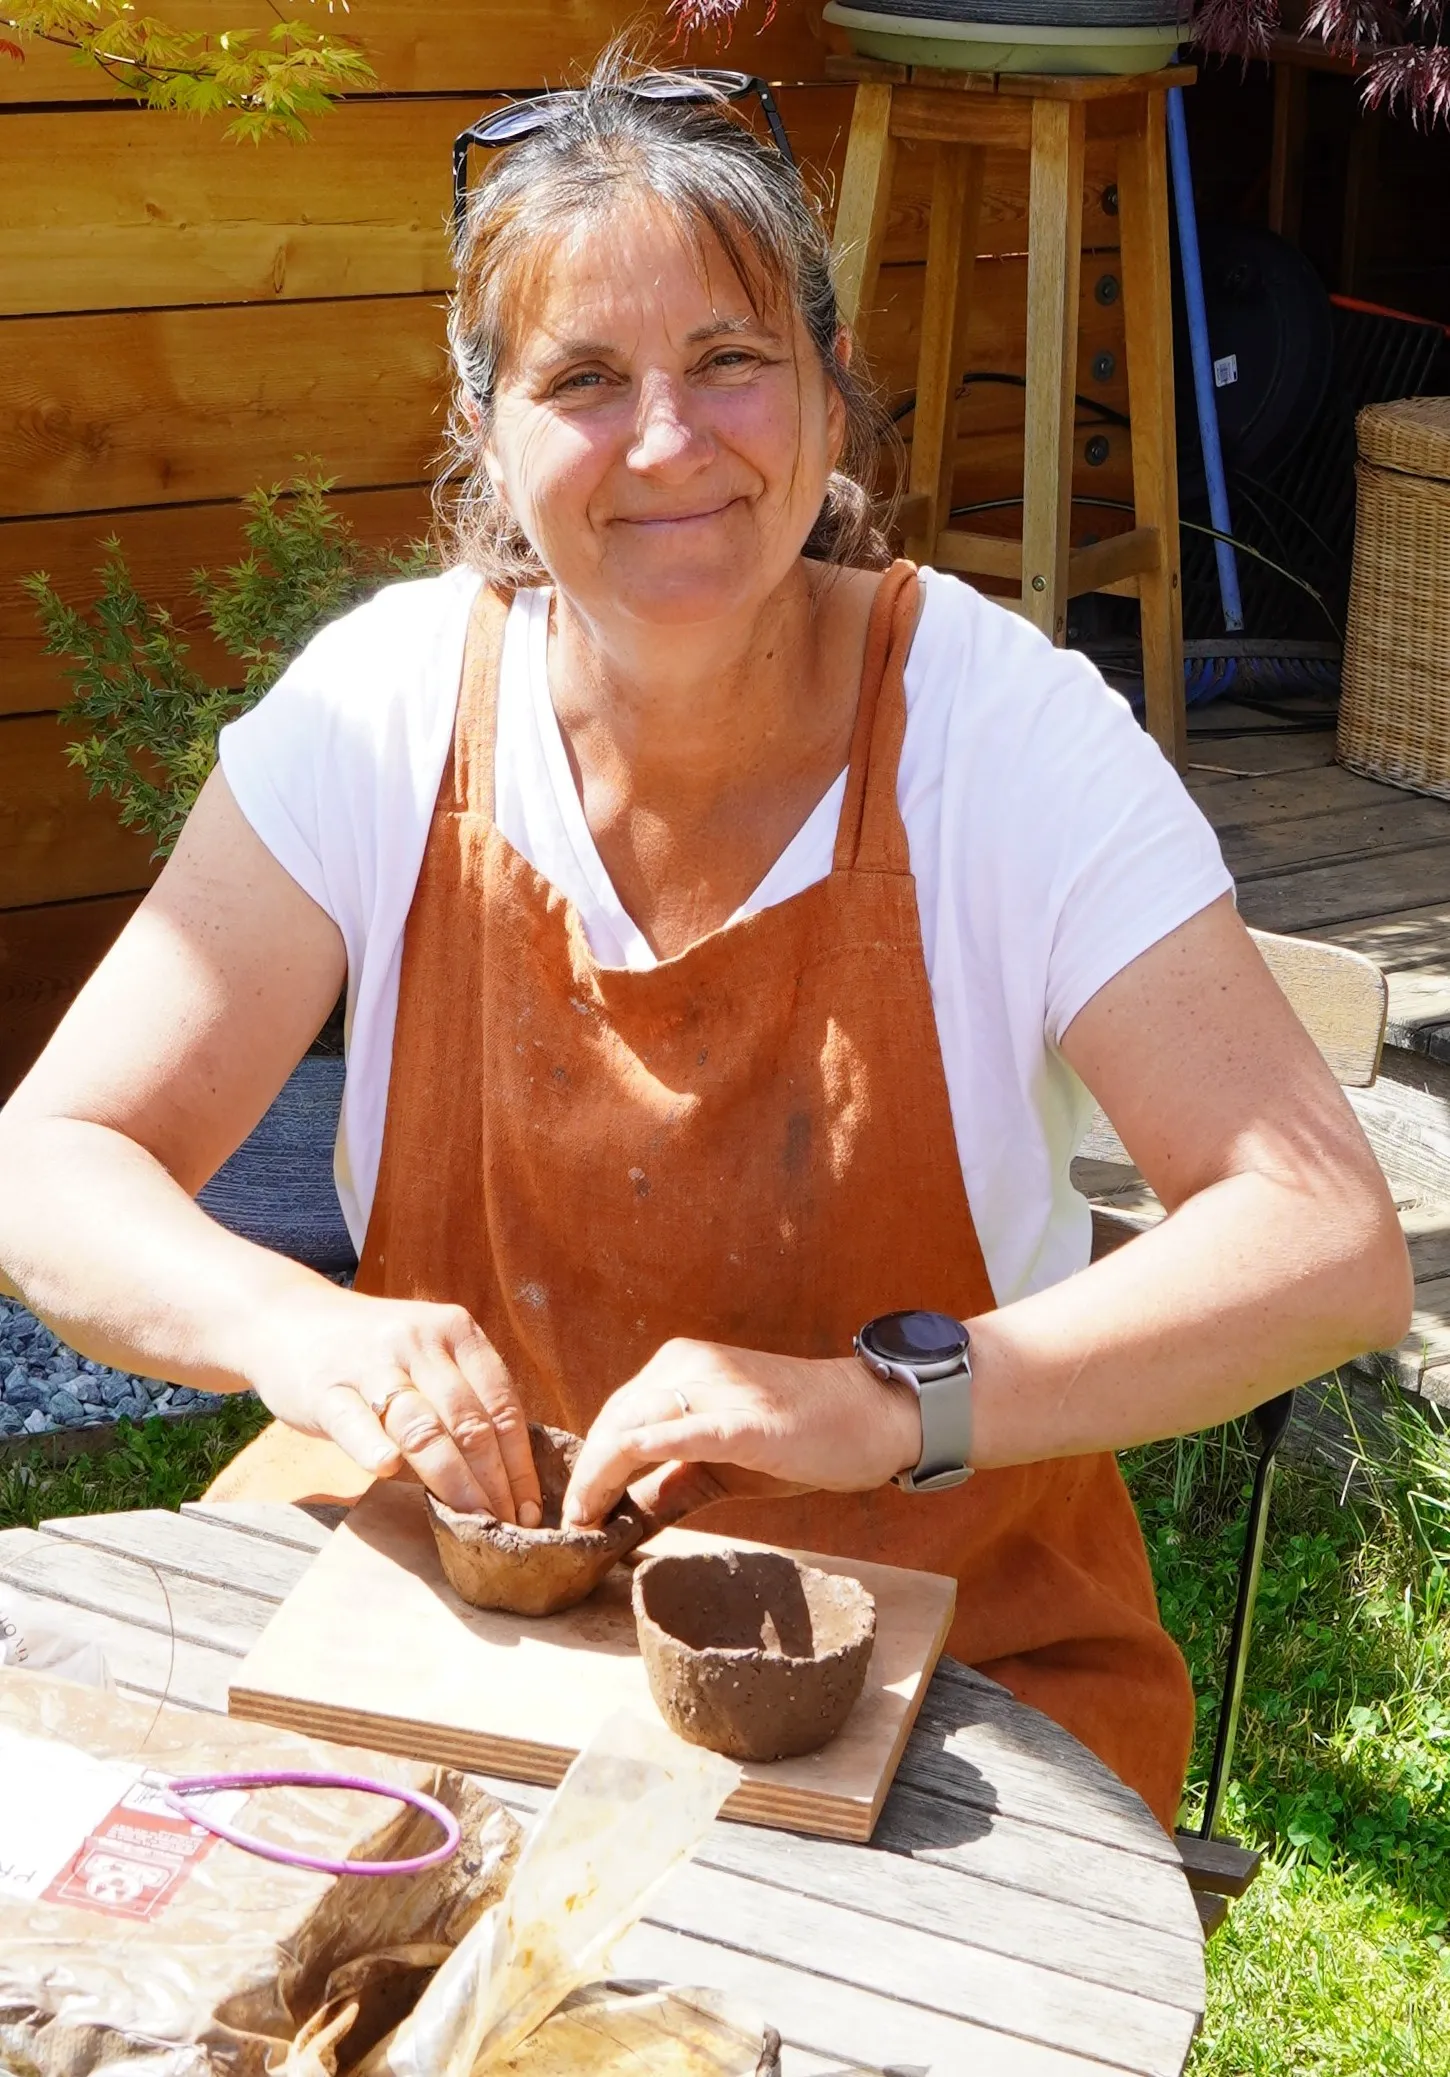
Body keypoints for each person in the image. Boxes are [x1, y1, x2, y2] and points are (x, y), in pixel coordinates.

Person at [0, 60, 1409, 1833]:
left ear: (830, 392)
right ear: (488, 437)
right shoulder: (382, 709)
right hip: (453, 1609)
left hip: (941, 1677)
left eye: (729, 360)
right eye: (582, 379)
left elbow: (1323, 1244)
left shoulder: (1005, 737)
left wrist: (885, 1406)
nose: (667, 442)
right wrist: (286, 1324)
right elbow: (51, 1161)